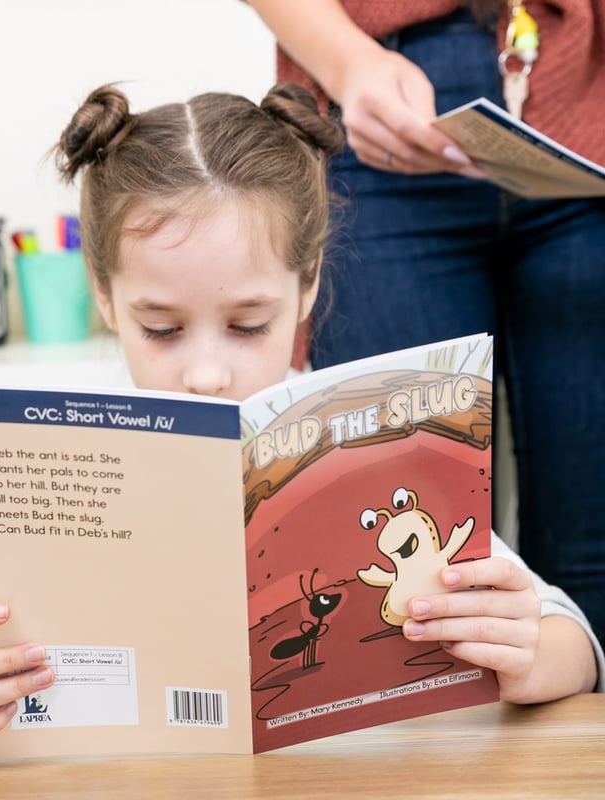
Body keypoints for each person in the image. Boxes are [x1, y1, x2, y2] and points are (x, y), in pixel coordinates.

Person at [0, 82, 603, 746]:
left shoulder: (378, 449)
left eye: (247, 324)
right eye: (160, 327)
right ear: (104, 295)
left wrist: (526, 655)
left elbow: (575, 639)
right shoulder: (54, 461)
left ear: (306, 284)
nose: (203, 372)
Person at [244, 0, 605, 645]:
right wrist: (347, 63)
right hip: (378, 106)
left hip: (585, 101)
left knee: (593, 549)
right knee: (405, 563)